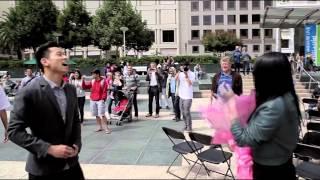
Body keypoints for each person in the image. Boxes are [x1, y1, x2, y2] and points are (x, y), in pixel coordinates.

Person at [8, 41, 84, 179]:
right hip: (43, 170)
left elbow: (76, 121)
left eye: (64, 54)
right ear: (45, 61)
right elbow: (14, 131)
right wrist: (48, 149)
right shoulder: (29, 92)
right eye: (59, 54)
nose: (65, 57)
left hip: (72, 166)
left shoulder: (71, 90)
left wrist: (77, 144)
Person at [227, 52, 300, 179]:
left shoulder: (274, 107)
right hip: (282, 163)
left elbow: (244, 139)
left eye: (257, 73)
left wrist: (232, 113)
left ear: (268, 77)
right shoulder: (287, 96)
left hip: (270, 170)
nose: (254, 76)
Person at [82, 69, 111, 134]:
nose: (92, 75)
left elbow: (104, 91)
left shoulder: (103, 81)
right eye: (92, 74)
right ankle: (100, 127)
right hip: (93, 99)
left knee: (102, 114)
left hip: (100, 100)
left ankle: (106, 128)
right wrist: (83, 80)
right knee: (96, 114)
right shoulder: (92, 81)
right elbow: (85, 87)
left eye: (93, 74)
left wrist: (103, 99)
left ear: (97, 74)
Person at [176, 63, 195, 131]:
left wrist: (186, 75)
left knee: (186, 111)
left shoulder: (192, 74)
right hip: (181, 95)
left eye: (186, 66)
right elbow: (176, 79)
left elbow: (190, 84)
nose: (185, 67)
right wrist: (179, 71)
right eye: (183, 66)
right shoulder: (181, 73)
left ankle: (189, 126)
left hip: (188, 96)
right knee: (182, 112)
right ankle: (185, 125)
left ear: (189, 66)